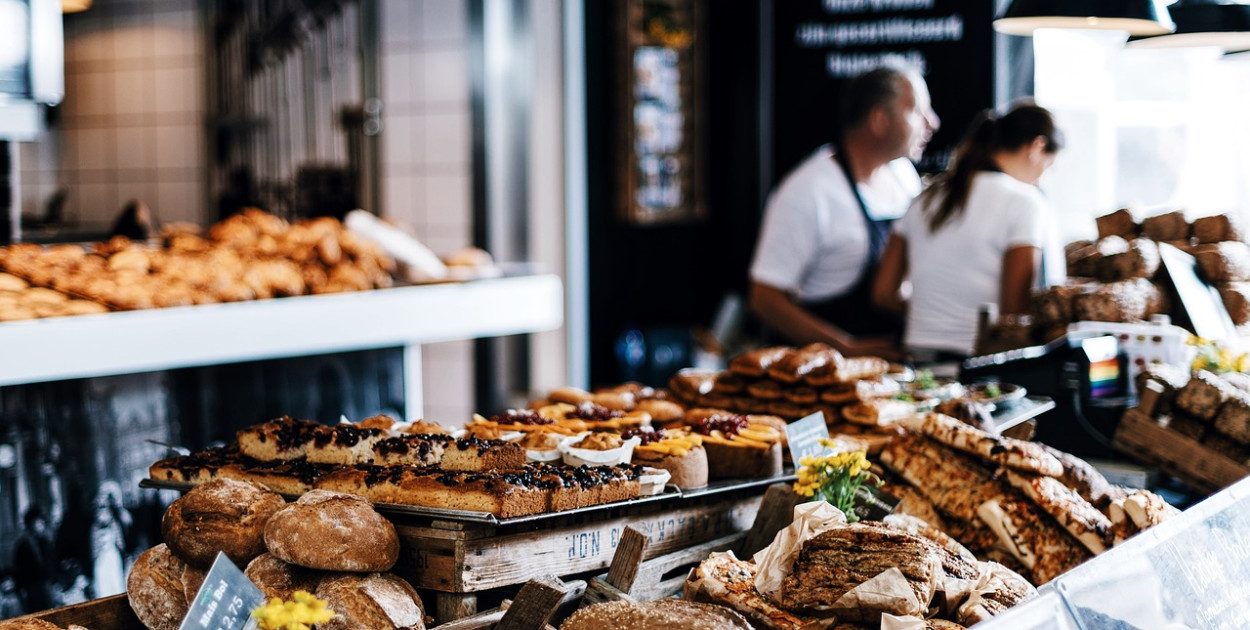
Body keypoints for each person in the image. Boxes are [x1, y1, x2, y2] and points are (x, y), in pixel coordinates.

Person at [748, 64, 940, 361]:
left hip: (894, 367)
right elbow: (764, 299)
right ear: (879, 120)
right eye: (917, 111)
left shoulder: (903, 175)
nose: (933, 122)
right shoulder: (808, 191)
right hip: (824, 373)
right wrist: (845, 349)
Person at [871, 102, 1065, 363]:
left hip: (917, 361)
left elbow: (883, 293)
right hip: (978, 366)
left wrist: (935, 315)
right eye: (1049, 167)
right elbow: (1013, 313)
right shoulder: (1025, 201)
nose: (1042, 178)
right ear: (1037, 147)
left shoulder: (925, 197)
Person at [11, 506, 55, 614]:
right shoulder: (23, 546)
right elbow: (18, 572)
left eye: (42, 522)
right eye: (39, 522)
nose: (42, 525)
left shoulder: (45, 542)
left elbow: (51, 564)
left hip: (47, 587)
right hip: (33, 590)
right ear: (31, 524)